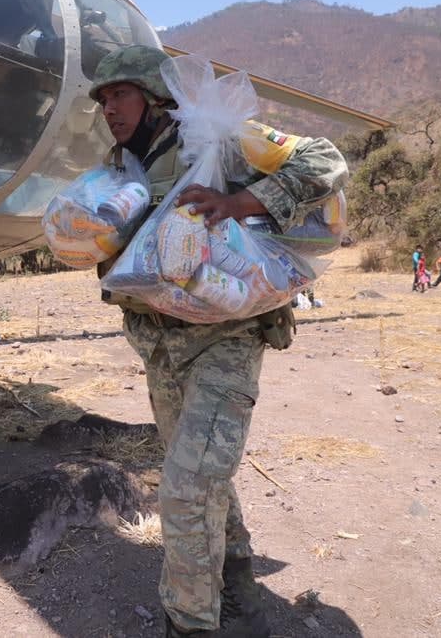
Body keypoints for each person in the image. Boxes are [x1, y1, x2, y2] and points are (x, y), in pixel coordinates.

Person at [90, 45, 347, 637]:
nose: (109, 109)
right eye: (102, 100)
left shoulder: (218, 138)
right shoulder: (121, 165)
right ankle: (238, 592)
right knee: (205, 479)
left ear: (156, 99)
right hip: (160, 347)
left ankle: (190, 623)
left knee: (186, 489)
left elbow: (325, 160)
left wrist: (237, 203)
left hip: (226, 340)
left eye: (120, 94)